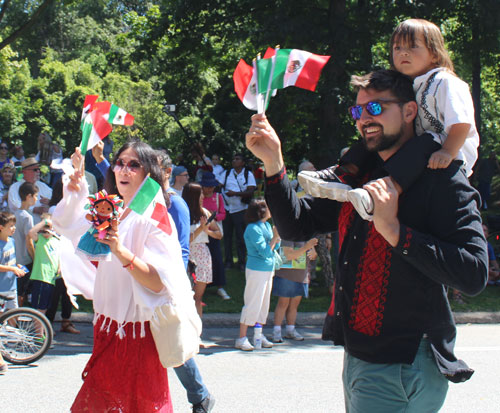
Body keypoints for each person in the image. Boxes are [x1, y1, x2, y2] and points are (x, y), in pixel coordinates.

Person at [246, 69, 487, 411]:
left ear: (409, 111)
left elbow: (474, 273)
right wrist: (274, 163)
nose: (364, 120)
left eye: (376, 108)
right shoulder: (358, 176)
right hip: (365, 357)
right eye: (358, 111)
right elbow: (298, 226)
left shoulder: (442, 178)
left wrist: (396, 233)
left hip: (405, 361)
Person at [53, 141, 195, 412]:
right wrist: (76, 189)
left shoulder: (154, 214)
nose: (123, 170)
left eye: (133, 165)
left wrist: (119, 251)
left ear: (148, 172)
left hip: (138, 338)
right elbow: (68, 225)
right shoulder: (114, 209)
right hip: (108, 331)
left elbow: (158, 282)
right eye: (120, 163)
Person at [299, 19, 479, 222]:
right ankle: (344, 174)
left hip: (450, 150)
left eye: (413, 46)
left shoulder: (446, 82)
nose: (403, 52)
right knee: (373, 129)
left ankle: (381, 195)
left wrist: (448, 151)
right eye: (397, 47)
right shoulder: (412, 85)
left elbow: (462, 123)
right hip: (423, 148)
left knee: (417, 139)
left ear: (435, 53)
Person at [158, 151, 215, 413]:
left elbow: (182, 249)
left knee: (175, 345)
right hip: (147, 279)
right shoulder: (147, 199)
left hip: (168, 285)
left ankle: (200, 395)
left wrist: (173, 285)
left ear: (166, 173)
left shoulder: (175, 204)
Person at [235, 199, 280, 351]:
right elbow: (265, 252)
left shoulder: (266, 225)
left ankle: (258, 335)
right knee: (253, 302)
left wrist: (276, 236)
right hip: (256, 270)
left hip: (268, 269)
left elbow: (274, 247)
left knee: (263, 303)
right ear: (260, 211)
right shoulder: (252, 229)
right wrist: (274, 237)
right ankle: (241, 338)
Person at [183, 182, 222, 317]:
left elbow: (219, 234)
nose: (202, 196)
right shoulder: (183, 214)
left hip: (202, 254)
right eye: (199, 193)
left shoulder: (205, 212)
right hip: (187, 254)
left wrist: (207, 231)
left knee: (198, 298)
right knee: (185, 296)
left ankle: (198, 330)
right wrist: (201, 229)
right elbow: (185, 240)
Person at [46, 181, 80, 334]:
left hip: (70, 251)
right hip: (58, 251)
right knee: (56, 289)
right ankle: (47, 324)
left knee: (68, 289)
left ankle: (66, 320)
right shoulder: (55, 209)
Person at [272, 237, 317, 343]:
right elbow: (288, 255)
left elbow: (313, 255)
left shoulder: (306, 234)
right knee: (283, 303)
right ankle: (276, 331)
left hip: (301, 274)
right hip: (287, 274)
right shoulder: (288, 233)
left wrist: (313, 253)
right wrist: (306, 247)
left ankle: (290, 330)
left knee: (294, 305)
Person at [0, 211, 26, 375]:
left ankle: (7, 345)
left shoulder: (12, 242)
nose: (14, 229)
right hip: (1, 287)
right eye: (10, 226)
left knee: (12, 316)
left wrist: (18, 268)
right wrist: (12, 268)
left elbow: (12, 261)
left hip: (11, 285)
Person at [221, 153, 256, 271]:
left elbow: (251, 191)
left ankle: (242, 262)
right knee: (227, 237)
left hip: (241, 210)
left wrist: (235, 194)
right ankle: (228, 261)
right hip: (227, 209)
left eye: (237, 159)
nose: (234, 161)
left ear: (243, 162)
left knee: (241, 237)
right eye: (233, 159)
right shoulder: (226, 173)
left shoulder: (248, 174)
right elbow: (218, 185)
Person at [200, 171, 230, 300]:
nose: (209, 189)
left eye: (211, 186)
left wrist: (213, 217)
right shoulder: (199, 196)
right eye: (207, 186)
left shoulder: (218, 197)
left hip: (214, 229)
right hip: (200, 231)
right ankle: (201, 284)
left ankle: (219, 285)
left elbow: (223, 213)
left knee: (216, 257)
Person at [26, 216, 60, 315]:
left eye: (48, 229)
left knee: (44, 307)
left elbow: (59, 257)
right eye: (43, 230)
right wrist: (44, 221)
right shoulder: (40, 239)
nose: (46, 232)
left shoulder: (57, 241)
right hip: (40, 277)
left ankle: (40, 329)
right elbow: (31, 233)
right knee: (38, 308)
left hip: (51, 279)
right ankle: (37, 330)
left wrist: (59, 267)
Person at [13, 182, 38, 306]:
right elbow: (29, 242)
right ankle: (17, 316)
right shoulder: (27, 217)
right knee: (21, 292)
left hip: (14, 258)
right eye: (35, 196)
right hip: (24, 260)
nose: (37, 199)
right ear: (29, 196)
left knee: (15, 290)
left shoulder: (14, 214)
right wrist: (35, 258)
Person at [8, 157, 52, 224]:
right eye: (35, 169)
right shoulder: (15, 187)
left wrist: (50, 202)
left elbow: (55, 199)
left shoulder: (43, 186)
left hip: (42, 229)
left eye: (38, 169)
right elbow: (15, 206)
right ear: (24, 172)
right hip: (22, 228)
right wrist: (34, 209)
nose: (38, 171)